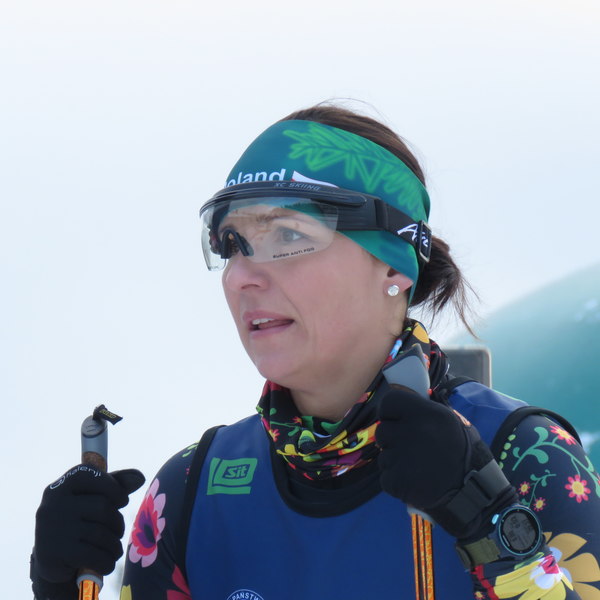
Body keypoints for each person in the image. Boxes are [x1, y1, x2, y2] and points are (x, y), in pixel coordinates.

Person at [31, 103, 600, 600]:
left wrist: (486, 517)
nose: (242, 276)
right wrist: (62, 588)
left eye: (288, 235)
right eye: (232, 244)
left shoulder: (522, 454)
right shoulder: (192, 489)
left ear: (393, 265)